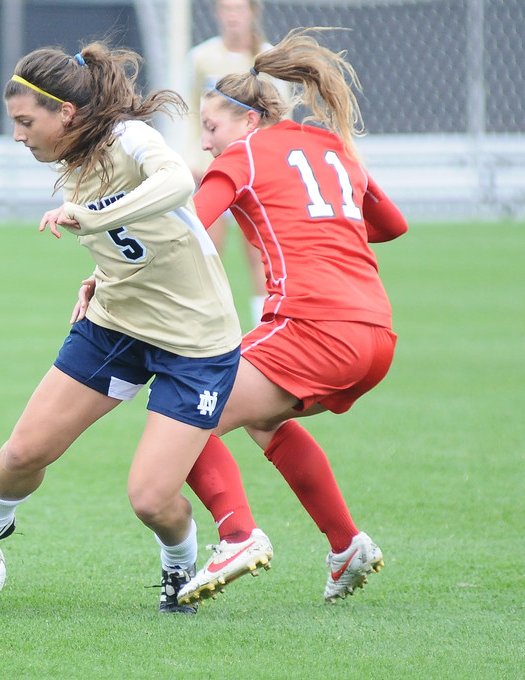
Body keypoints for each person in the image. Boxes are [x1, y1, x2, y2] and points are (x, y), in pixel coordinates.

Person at [0, 42, 243, 615]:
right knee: (22, 454)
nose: (18, 137)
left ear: (65, 113)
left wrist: (91, 217)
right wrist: (100, 271)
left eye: (25, 122)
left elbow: (176, 185)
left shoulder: (127, 138)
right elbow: (136, 241)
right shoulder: (71, 159)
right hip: (115, 324)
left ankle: (178, 566)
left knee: (150, 497)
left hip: (194, 343)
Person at [174, 27, 408, 605]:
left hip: (313, 326)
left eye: (211, 127)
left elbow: (188, 232)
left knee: (181, 409)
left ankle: (236, 535)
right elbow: (392, 225)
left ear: (247, 122)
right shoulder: (331, 145)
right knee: (261, 420)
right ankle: (346, 543)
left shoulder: (242, 156)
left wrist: (107, 260)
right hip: (376, 333)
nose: (206, 143)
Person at [183, 0, 286, 328]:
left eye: (238, 8)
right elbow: (189, 112)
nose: (232, 15)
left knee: (259, 254)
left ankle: (263, 326)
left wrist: (270, 164)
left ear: (253, 12)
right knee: (206, 250)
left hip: (254, 171)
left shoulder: (266, 57)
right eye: (225, 8)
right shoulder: (201, 57)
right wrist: (194, 158)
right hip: (213, 167)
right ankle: (207, 327)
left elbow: (279, 117)